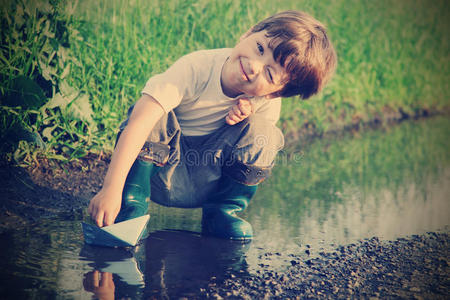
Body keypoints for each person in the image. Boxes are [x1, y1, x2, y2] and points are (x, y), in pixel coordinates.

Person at [88, 10, 337, 240]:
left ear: (275, 93)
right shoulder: (197, 67)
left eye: (270, 75)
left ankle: (222, 214)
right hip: (155, 172)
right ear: (248, 33)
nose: (254, 66)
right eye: (260, 48)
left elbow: (255, 153)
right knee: (153, 109)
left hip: (207, 182)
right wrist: (111, 189)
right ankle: (131, 205)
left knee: (265, 134)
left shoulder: (265, 104)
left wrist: (248, 118)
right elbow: (140, 123)